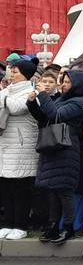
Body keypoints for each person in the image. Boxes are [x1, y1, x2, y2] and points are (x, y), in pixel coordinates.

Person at [27, 69, 83, 244]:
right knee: (52, 189)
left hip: (66, 148)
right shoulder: (61, 99)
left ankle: (68, 227)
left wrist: (44, 95)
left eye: (67, 82)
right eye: (63, 80)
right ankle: (53, 225)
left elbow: (57, 115)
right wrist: (32, 103)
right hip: (52, 146)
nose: (63, 84)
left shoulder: (78, 102)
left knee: (64, 190)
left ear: (76, 85)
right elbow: (44, 118)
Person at [0, 59, 40, 240]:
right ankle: (8, 223)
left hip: (22, 146)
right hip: (6, 144)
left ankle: (21, 225)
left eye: (15, 71)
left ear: (25, 74)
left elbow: (17, 108)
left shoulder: (30, 91)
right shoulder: (8, 90)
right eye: (11, 71)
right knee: (6, 187)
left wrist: (4, 97)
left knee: (20, 188)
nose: (12, 74)